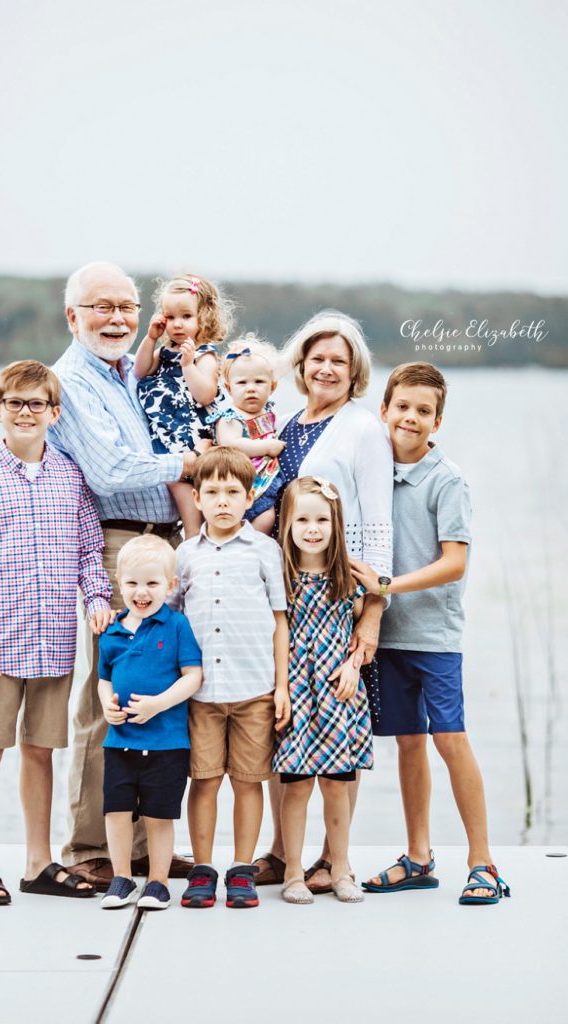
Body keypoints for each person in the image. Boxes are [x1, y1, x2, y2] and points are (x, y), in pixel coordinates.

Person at [48, 262, 197, 892]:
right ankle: (88, 846)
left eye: (126, 306)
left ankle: (140, 850)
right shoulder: (71, 379)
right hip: (115, 545)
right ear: (72, 315)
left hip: (164, 546)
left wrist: (154, 344)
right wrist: (197, 461)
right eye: (101, 306)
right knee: (105, 696)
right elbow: (111, 470)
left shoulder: (120, 373)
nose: (115, 317)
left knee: (152, 691)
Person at [0, 360, 112, 905]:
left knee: (41, 751)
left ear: (54, 412)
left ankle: (39, 862)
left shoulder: (71, 476)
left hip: (54, 643)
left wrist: (97, 599)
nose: (26, 412)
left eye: (36, 403)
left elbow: (91, 550)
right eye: (15, 403)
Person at [352, 362, 510, 906]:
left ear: (437, 420)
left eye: (424, 411)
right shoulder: (372, 473)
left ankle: (483, 861)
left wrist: (387, 583)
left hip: (435, 636)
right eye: (403, 407)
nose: (411, 418)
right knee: (408, 743)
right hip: (386, 635)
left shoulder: (447, 480)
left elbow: (455, 563)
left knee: (450, 739)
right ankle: (419, 857)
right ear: (384, 410)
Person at [254, 310, 393, 894]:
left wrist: (373, 613)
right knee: (285, 729)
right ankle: (284, 853)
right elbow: (269, 507)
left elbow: (379, 523)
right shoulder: (290, 422)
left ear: (355, 368)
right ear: (302, 365)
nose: (327, 368)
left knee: (339, 736)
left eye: (339, 360)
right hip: (288, 596)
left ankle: (338, 861)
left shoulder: (362, 429)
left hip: (342, 599)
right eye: (318, 359)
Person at [168, 447, 291, 909]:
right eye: (213, 492)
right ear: (196, 498)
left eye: (233, 493)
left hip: (254, 688)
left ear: (248, 497)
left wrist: (281, 687)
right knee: (203, 780)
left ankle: (241, 868)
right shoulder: (184, 555)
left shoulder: (265, 551)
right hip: (200, 693)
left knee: (248, 779)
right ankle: (203, 867)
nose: (223, 501)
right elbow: (175, 621)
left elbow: (279, 620)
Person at [274, 477, 373, 904]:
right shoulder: (281, 575)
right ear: (287, 525)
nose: (312, 529)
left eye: (321, 520)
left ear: (336, 524)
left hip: (337, 691)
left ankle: (340, 868)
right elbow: (276, 631)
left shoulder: (348, 577)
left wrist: (354, 666)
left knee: (337, 782)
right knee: (296, 784)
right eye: (302, 520)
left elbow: (370, 614)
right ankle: (293, 872)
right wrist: (280, 687)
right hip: (296, 688)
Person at [97, 536, 202, 911]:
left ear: (170, 586)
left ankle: (157, 882)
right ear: (119, 583)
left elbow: (193, 676)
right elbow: (104, 677)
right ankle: (121, 877)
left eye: (152, 583)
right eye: (133, 583)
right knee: (117, 811)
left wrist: (159, 704)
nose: (142, 592)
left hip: (166, 743)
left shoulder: (176, 626)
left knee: (159, 814)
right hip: (119, 741)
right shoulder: (111, 630)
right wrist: (106, 703)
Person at [134, 273, 234, 537]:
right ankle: (192, 542)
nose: (177, 324)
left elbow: (205, 395)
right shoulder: (165, 352)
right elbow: (140, 371)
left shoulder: (204, 355)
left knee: (194, 507)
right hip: (167, 439)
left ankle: (195, 544)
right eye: (170, 317)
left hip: (193, 440)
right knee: (179, 491)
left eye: (186, 317)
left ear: (204, 317)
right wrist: (151, 339)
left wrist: (188, 365)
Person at [207, 334, 285, 534]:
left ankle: (253, 547)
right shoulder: (231, 417)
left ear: (273, 387)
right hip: (236, 485)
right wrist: (266, 447)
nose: (251, 388)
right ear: (229, 388)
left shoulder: (269, 413)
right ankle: (240, 544)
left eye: (259, 382)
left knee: (268, 517)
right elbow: (230, 444)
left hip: (264, 482)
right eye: (242, 383)